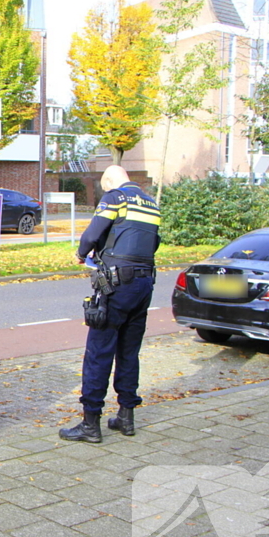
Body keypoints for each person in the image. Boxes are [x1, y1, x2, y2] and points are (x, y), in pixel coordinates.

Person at [60, 165, 160, 443]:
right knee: (129, 351)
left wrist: (82, 253)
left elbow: (93, 233)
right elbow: (153, 243)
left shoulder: (115, 198)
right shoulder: (151, 203)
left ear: (110, 182)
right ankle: (126, 418)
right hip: (144, 284)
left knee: (99, 352)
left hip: (117, 285)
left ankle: (91, 424)